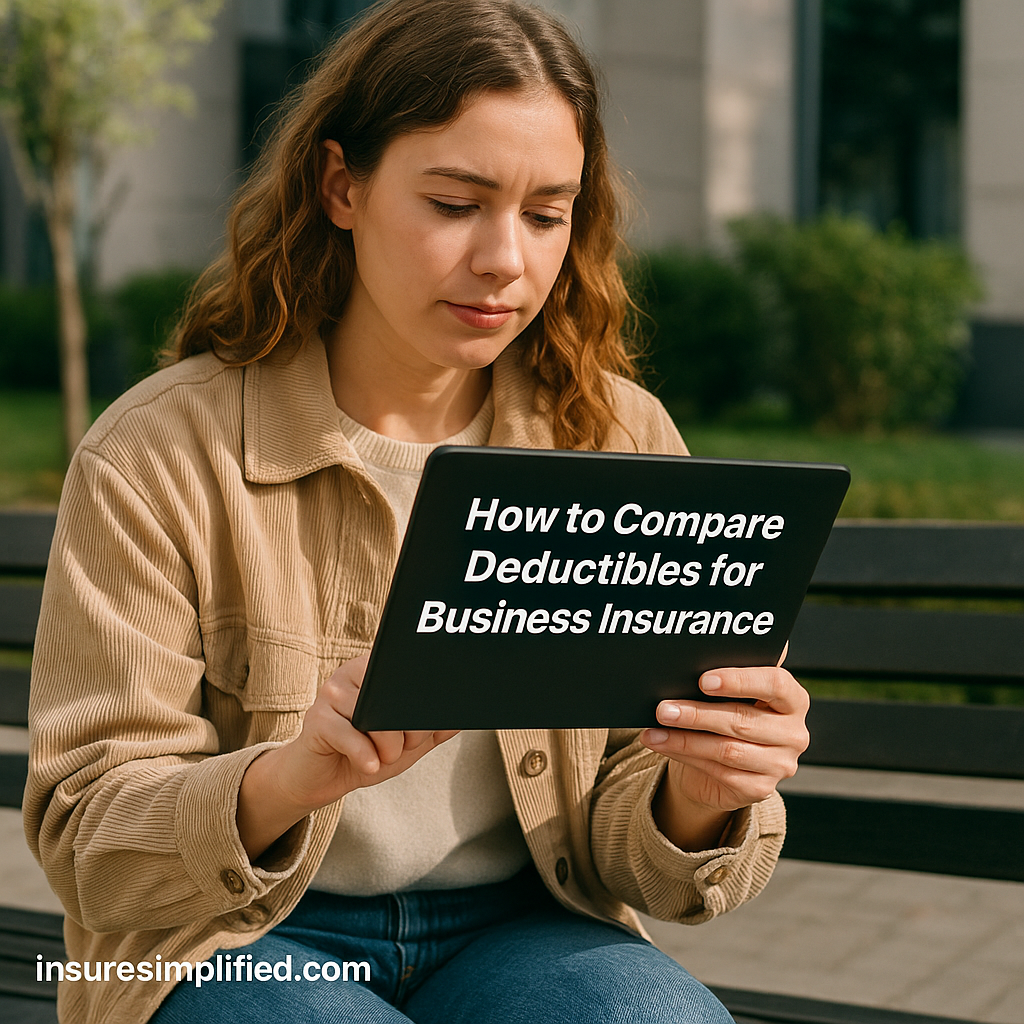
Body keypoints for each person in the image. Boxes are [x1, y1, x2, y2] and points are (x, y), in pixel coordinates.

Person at [24, 2, 809, 1022]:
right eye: (454, 202)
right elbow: (90, 844)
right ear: (341, 186)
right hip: (235, 937)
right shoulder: (160, 453)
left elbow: (647, 858)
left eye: (545, 214)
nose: (505, 261)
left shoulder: (614, 436)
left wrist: (701, 794)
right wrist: (289, 774)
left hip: (523, 926)